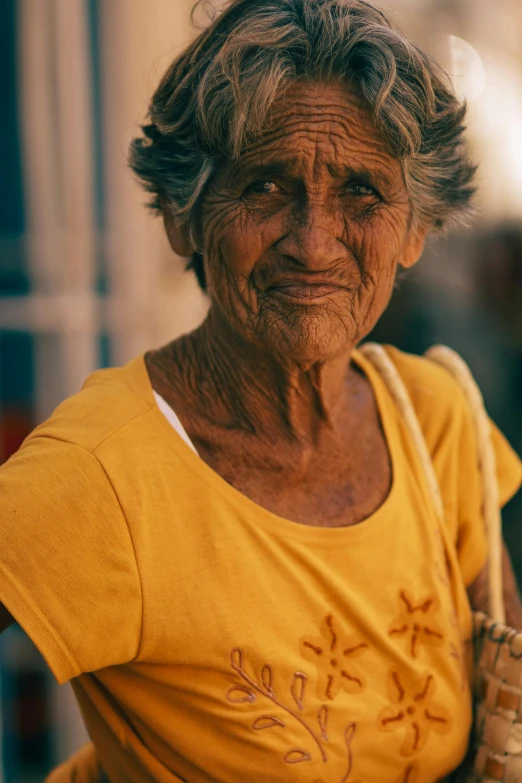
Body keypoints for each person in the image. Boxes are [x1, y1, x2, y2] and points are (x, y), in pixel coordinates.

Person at [1, 1, 521, 781]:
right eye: (266, 186)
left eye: (362, 193)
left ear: (416, 229)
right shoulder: (105, 472)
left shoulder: (434, 417)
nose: (314, 242)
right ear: (184, 215)